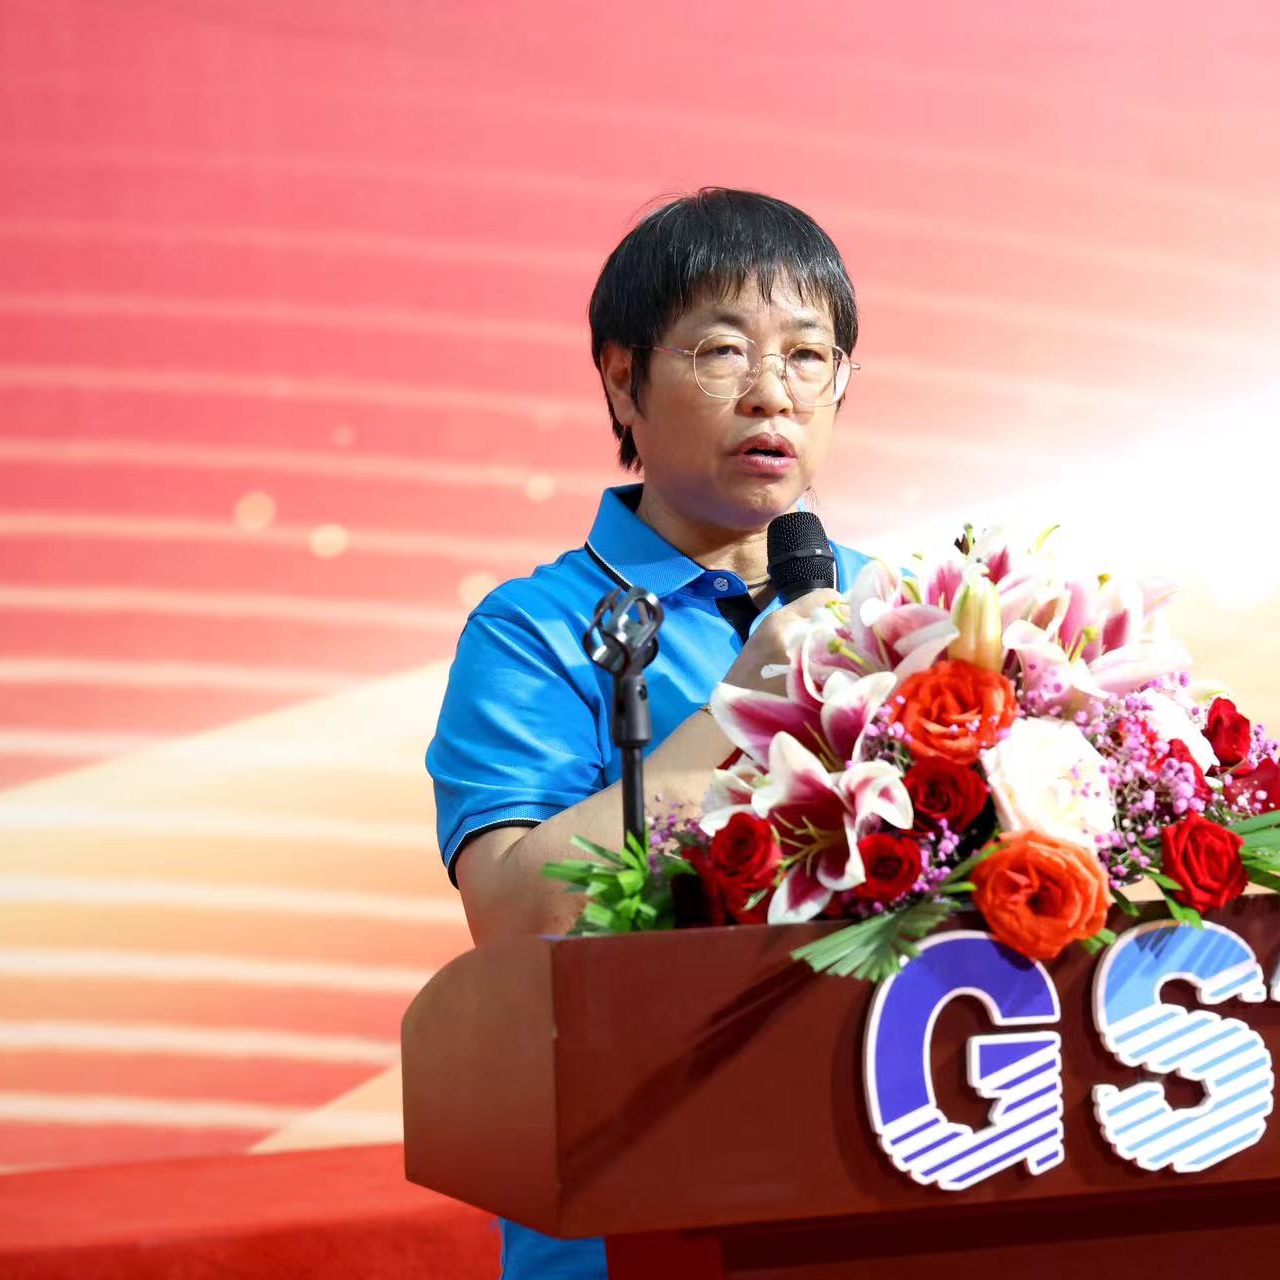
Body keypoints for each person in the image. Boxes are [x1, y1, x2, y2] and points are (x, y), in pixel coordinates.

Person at [425, 188, 870, 1278]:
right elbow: (516, 918)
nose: (772, 390)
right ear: (623, 379)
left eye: (808, 355)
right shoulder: (535, 631)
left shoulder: (893, 608)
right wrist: (736, 706)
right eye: (723, 351)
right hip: (637, 1204)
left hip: (870, 1184)